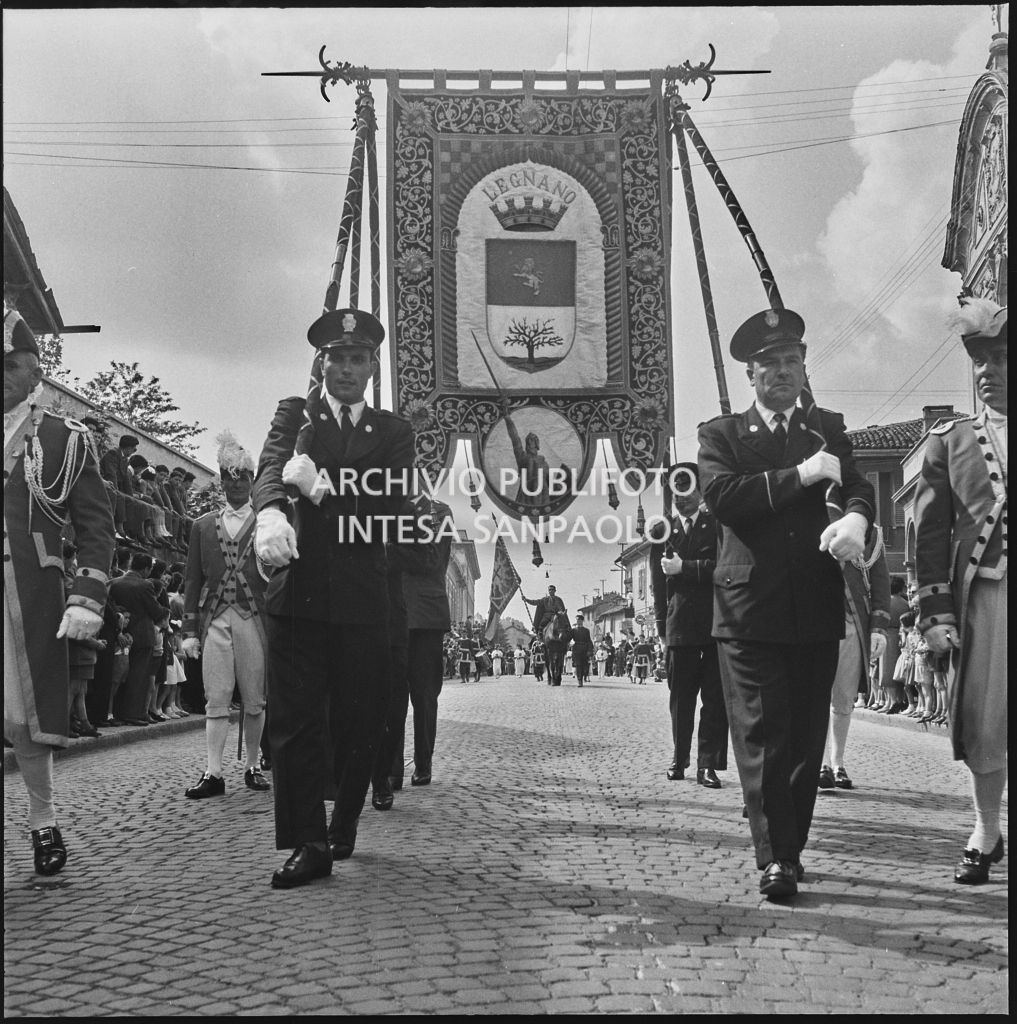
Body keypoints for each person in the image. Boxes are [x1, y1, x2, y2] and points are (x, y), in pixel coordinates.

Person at [698, 307, 874, 900]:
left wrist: (857, 514)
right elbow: (723, 497)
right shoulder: (721, 434)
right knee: (763, 733)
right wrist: (798, 475)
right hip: (748, 610)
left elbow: (856, 484)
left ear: (804, 367)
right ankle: (778, 855)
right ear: (750, 375)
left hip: (816, 604)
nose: (782, 371)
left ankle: (790, 847)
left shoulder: (829, 426)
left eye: (791, 360)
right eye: (768, 363)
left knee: (804, 736)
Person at [254, 308, 414, 889]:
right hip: (297, 593)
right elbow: (272, 464)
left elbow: (388, 512)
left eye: (357, 359)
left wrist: (323, 490)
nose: (345, 368)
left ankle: (345, 817)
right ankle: (309, 841)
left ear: (373, 367)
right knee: (294, 723)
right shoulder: (296, 415)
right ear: (320, 363)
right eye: (336, 357)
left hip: (362, 599)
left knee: (360, 718)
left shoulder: (395, 433)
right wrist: (271, 508)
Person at [4, 305, 115, 875]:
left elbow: (96, 527)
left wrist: (87, 595)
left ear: (35, 370)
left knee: (26, 720)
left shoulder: (64, 436)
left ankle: (43, 822)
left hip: (28, 593)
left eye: (10, 364)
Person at [914, 297, 1007, 885]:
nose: (987, 372)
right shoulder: (950, 440)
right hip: (988, 599)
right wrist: (934, 611)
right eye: (980, 362)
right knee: (985, 720)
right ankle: (985, 830)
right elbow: (929, 534)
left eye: (1000, 358)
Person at [181, 430, 270, 799]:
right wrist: (188, 630)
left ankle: (252, 765)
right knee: (215, 698)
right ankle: (214, 772)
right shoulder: (202, 526)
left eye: (243, 478)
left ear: (252, 480)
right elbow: (191, 580)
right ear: (221, 480)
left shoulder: (268, 523)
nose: (236, 485)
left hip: (254, 619)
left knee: (255, 698)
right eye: (229, 478)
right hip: (215, 618)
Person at [650, 461, 729, 788]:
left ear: (700, 492)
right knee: (681, 698)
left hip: (716, 622)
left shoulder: (717, 525)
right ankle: (679, 758)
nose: (681, 498)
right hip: (679, 623)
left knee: (715, 698)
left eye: (687, 490)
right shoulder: (663, 531)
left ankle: (707, 765)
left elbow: (725, 568)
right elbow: (657, 582)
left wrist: (686, 567)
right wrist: (661, 627)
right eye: (675, 492)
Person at [377, 497, 453, 797]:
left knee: (423, 696)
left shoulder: (439, 511)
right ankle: (391, 769)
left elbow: (433, 559)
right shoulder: (381, 502)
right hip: (390, 613)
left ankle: (423, 762)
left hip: (425, 616)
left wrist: (387, 551)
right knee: (391, 696)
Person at [818, 525, 890, 790]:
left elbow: (880, 581)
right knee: (815, 697)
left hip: (851, 623)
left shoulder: (869, 531)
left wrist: (878, 628)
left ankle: (837, 763)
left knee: (844, 698)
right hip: (814, 624)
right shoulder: (808, 516)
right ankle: (821, 763)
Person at [109, 553, 169, 725]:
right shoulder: (144, 585)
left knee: (120, 677)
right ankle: (134, 713)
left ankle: (119, 712)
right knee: (139, 676)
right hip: (142, 635)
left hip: (121, 632)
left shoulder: (115, 582)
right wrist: (165, 611)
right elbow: (155, 610)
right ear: (145, 569)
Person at [571, 614, 594, 686]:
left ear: (582, 621)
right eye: (577, 620)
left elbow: (589, 641)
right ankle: (579, 681)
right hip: (576, 649)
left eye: (580, 620)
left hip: (584, 649)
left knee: (585, 666)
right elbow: (569, 639)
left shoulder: (586, 630)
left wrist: (590, 650)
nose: (578, 621)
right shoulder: (573, 630)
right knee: (578, 665)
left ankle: (584, 677)